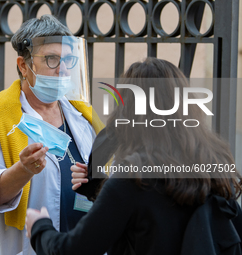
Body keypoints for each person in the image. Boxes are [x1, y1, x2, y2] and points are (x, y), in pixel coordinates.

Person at [25, 57, 242, 255]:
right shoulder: (215, 163)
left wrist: (39, 227)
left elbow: (73, 250)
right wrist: (99, 189)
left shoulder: (133, 179)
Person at [0, 15, 104, 255]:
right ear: (24, 66)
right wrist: (23, 170)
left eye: (69, 59)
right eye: (52, 59)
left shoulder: (82, 114)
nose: (63, 68)